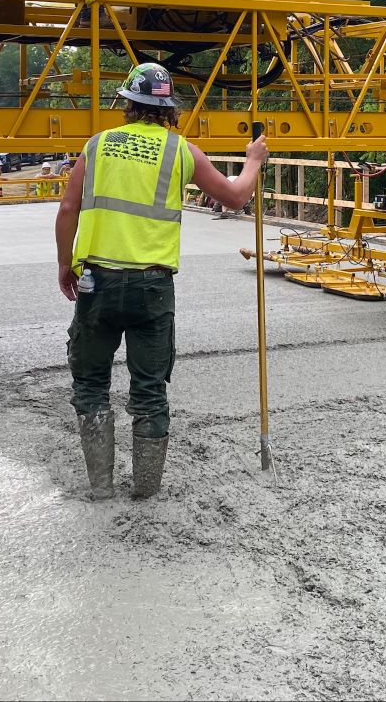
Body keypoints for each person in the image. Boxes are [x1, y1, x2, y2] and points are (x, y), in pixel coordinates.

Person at [55, 62, 268, 501]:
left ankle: (101, 488)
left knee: (91, 384)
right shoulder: (180, 151)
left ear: (129, 104)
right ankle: (146, 492)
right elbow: (235, 197)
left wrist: (65, 264)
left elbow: (67, 210)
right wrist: (252, 161)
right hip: (152, 288)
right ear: (168, 108)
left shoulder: (97, 146)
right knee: (149, 391)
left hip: (97, 281)